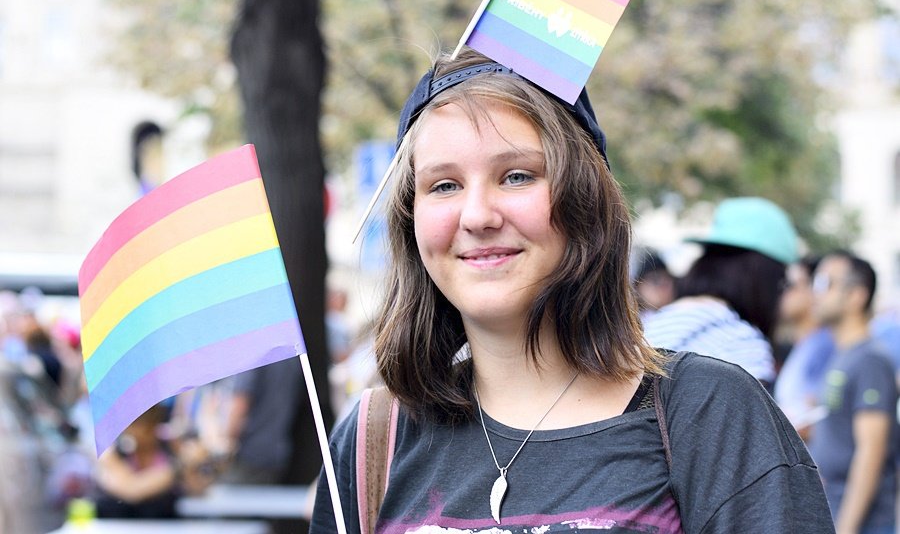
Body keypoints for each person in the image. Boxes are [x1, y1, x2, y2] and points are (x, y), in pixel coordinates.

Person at [309, 49, 833, 533]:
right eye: (444, 185)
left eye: (516, 176)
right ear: (412, 220)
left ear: (585, 201)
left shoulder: (712, 412)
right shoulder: (373, 440)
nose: (477, 216)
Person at [642, 197, 798, 389]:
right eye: (781, 282)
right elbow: (747, 417)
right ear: (765, 278)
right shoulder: (742, 343)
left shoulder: (654, 324)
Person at [807, 251, 898, 534]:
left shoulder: (870, 359)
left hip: (862, 524)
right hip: (834, 510)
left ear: (857, 295)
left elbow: (871, 451)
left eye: (826, 283)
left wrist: (845, 528)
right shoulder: (844, 355)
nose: (816, 293)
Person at [773, 255, 834, 435]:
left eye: (789, 285)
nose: (781, 293)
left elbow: (821, 419)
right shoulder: (804, 344)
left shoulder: (825, 345)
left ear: (813, 290)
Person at [94, 404, 179, 518]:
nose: (131, 431)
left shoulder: (171, 446)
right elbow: (131, 490)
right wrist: (177, 469)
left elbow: (195, 487)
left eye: (141, 423)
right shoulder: (111, 453)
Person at [630, 248, 676, 321]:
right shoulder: (631, 321)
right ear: (638, 286)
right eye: (655, 280)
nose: (663, 286)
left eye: (668, 280)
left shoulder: (678, 313)